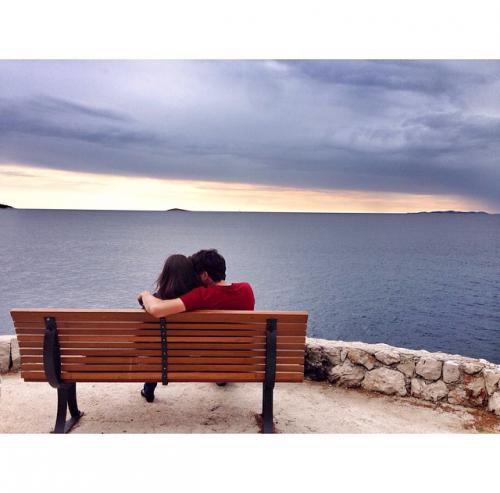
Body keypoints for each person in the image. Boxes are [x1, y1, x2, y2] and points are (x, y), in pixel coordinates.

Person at [138, 249, 255, 402]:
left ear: (205, 275)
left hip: (205, 361)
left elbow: (156, 309)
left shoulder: (202, 295)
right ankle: (222, 377)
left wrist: (145, 295)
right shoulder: (246, 288)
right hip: (242, 360)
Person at [139, 253, 201, 402]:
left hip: (162, 356)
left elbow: (142, 336)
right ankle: (221, 379)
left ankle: (148, 390)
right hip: (192, 354)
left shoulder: (155, 300)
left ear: (165, 275)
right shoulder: (197, 299)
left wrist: (144, 297)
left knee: (155, 350)